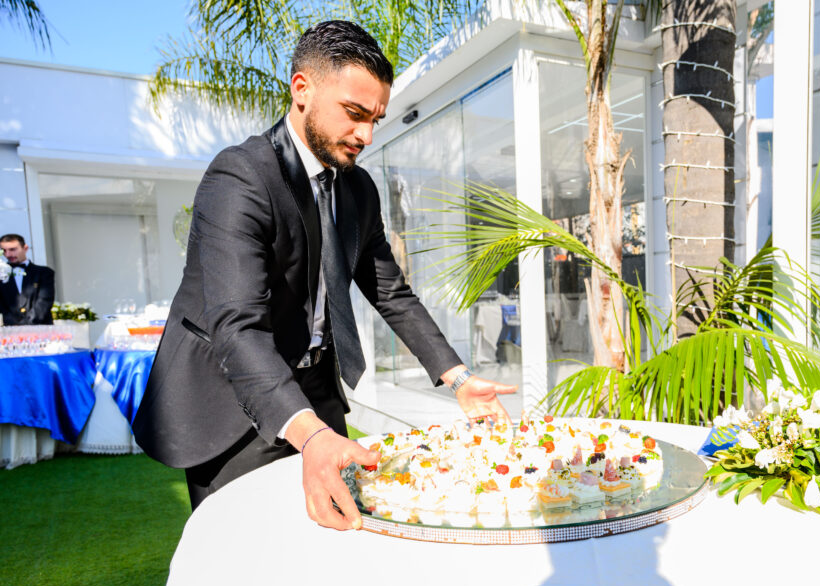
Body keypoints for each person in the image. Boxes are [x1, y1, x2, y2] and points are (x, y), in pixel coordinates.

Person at [132, 21, 516, 530]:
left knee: (338, 539)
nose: (367, 135)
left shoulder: (359, 190)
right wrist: (309, 435)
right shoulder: (240, 177)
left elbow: (389, 291)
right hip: (235, 402)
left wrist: (458, 378)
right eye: (354, 114)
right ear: (302, 90)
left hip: (317, 389)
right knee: (249, 557)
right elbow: (237, 327)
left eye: (376, 118)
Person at [0, 233, 55, 326]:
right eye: (4, 251)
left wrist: (26, 325)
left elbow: (44, 301)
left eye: (12, 249)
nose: (8, 254)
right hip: (12, 332)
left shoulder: (44, 273)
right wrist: (14, 325)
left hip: (41, 330)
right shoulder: (2, 274)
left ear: (25, 248)